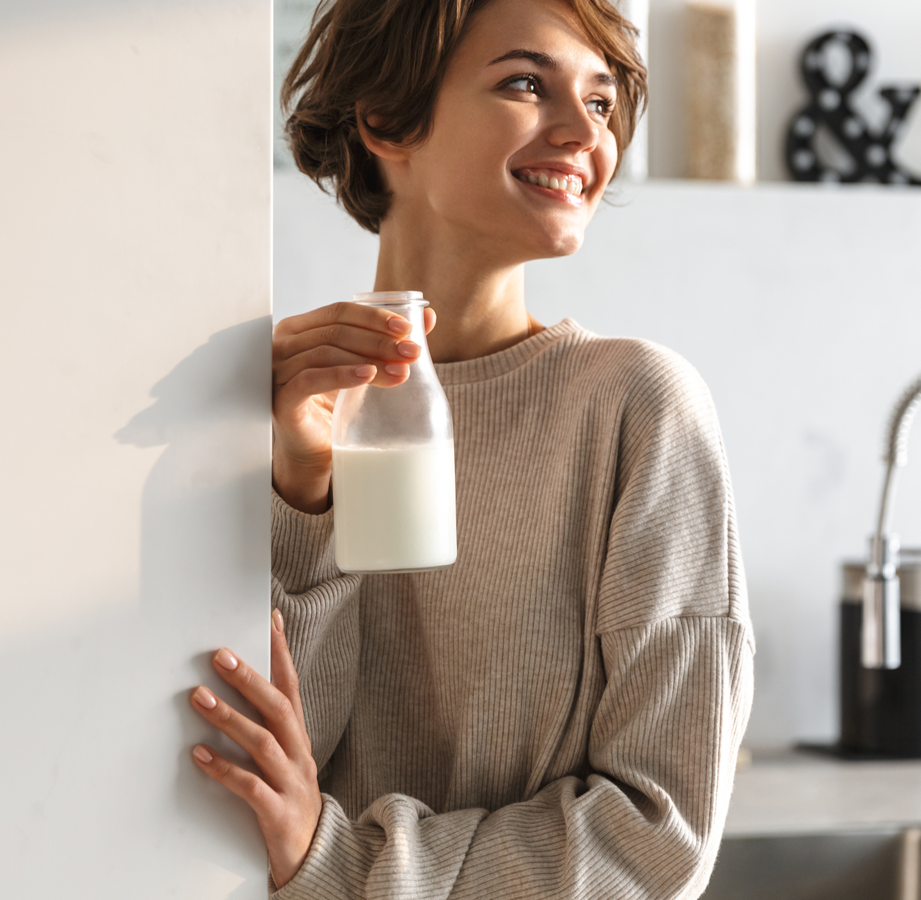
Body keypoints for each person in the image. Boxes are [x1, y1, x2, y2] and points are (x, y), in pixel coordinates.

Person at [185, 0, 753, 894]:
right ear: (387, 120)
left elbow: (657, 837)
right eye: (528, 84)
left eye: (602, 103)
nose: (582, 134)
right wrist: (303, 488)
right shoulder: (275, 402)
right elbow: (254, 763)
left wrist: (341, 864)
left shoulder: (636, 405)